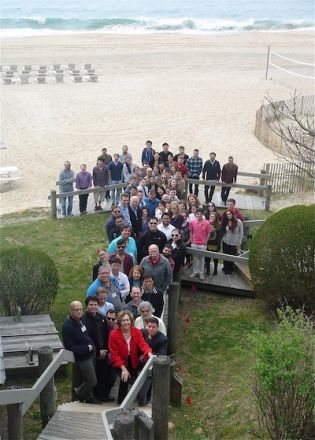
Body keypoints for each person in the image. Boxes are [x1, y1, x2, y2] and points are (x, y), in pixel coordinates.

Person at [109, 310, 152, 404]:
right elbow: (114, 354)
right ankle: (121, 402)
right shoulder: (113, 334)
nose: (126, 322)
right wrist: (123, 369)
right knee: (125, 377)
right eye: (123, 320)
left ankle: (138, 399)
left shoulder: (136, 331)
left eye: (127, 320)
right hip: (119, 361)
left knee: (135, 379)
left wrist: (148, 352)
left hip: (133, 359)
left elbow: (143, 344)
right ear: (120, 322)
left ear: (131, 321)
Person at [62, 301, 98, 403]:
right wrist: (87, 348)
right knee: (92, 381)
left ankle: (89, 398)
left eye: (80, 309)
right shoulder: (67, 326)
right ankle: (77, 393)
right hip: (82, 357)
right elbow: (70, 348)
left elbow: (85, 335)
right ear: (71, 311)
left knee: (85, 379)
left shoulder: (81, 320)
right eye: (76, 309)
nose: (79, 311)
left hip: (90, 354)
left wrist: (92, 347)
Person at [81, 296, 113, 402]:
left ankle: (103, 395)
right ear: (87, 306)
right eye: (91, 304)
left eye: (95, 304)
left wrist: (106, 350)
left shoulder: (102, 317)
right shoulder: (83, 320)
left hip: (104, 351)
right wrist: (97, 352)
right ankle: (92, 397)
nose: (93, 307)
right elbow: (86, 338)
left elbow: (106, 334)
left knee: (104, 375)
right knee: (94, 376)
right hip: (93, 353)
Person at [137, 316, 169, 405]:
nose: (151, 329)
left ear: (157, 327)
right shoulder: (142, 333)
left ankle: (144, 399)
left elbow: (162, 354)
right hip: (138, 362)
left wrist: (147, 354)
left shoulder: (163, 339)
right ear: (146, 326)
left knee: (147, 381)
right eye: (149, 326)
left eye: (153, 327)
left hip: (152, 365)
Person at [189, 208, 212, 280]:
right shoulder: (192, 222)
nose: (199, 215)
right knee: (195, 258)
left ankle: (201, 273)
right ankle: (195, 271)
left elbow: (209, 233)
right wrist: (192, 241)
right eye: (197, 214)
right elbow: (191, 232)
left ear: (202, 215)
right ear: (196, 214)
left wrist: (206, 242)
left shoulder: (207, 223)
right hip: (194, 243)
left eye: (200, 214)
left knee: (202, 259)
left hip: (202, 244)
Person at [221, 210, 243, 275]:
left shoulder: (238, 222)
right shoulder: (225, 222)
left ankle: (230, 270)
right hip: (226, 242)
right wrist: (223, 238)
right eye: (227, 214)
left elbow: (241, 233)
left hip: (234, 243)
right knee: (225, 256)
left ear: (232, 214)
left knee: (232, 257)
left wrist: (239, 243)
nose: (229, 215)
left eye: (230, 214)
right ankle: (225, 268)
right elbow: (222, 231)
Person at [205, 212, 221, 276]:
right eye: (211, 217)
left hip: (215, 244)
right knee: (208, 258)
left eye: (213, 217)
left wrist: (217, 243)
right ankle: (208, 269)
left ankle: (215, 269)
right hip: (208, 243)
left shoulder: (219, 225)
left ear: (216, 218)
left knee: (215, 257)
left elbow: (220, 236)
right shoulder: (207, 223)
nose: (212, 218)